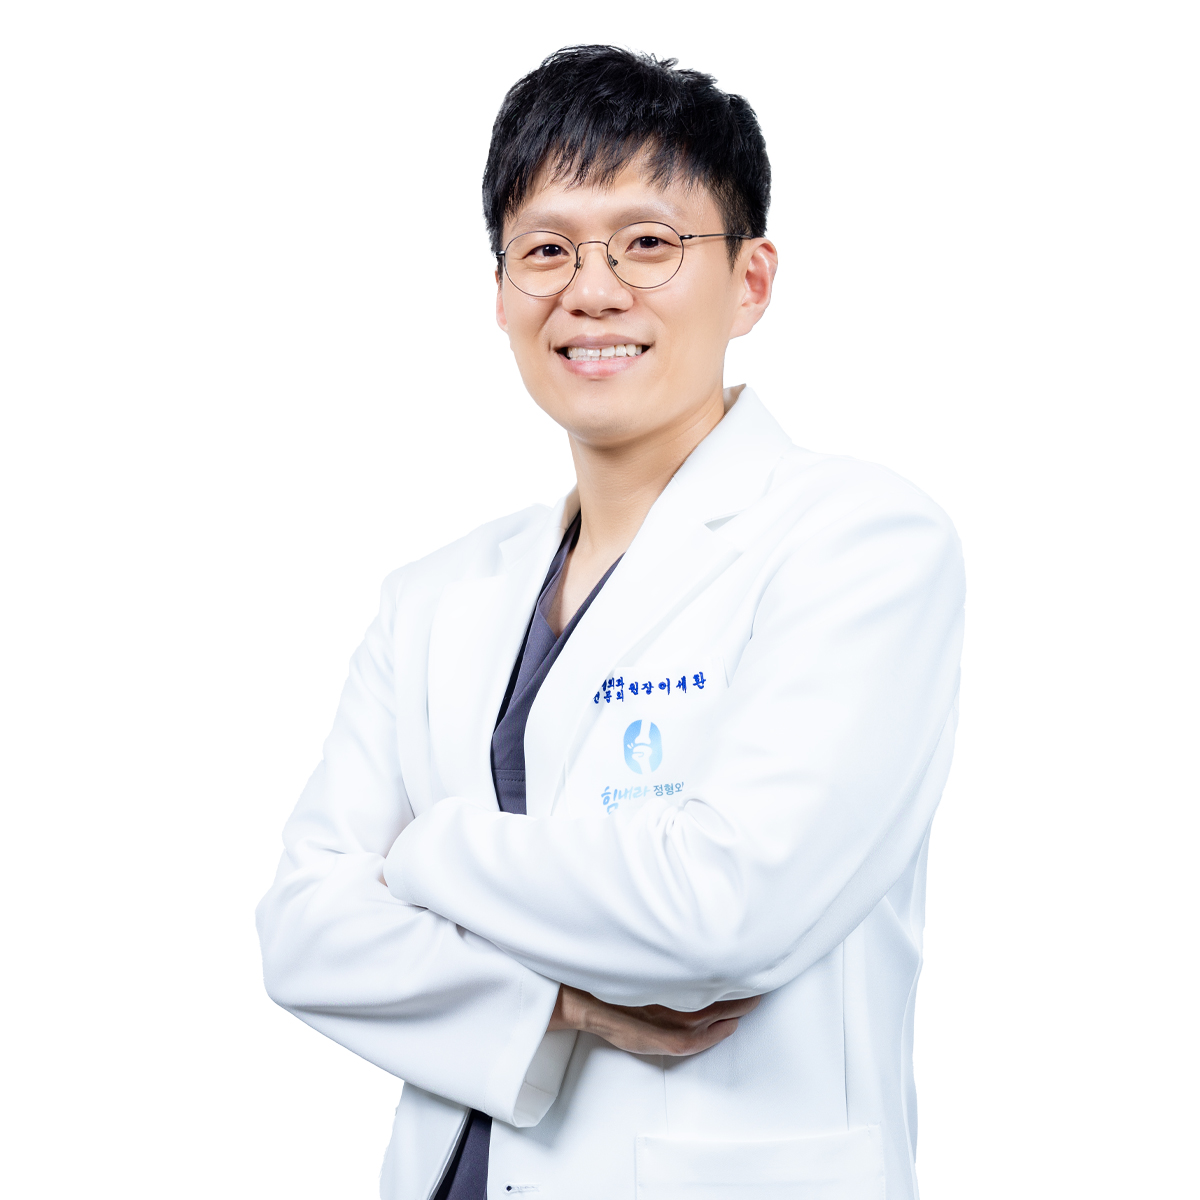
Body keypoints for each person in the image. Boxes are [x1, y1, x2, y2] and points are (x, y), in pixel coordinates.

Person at [256, 45, 965, 1200]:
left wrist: (425, 854)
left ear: (751, 281)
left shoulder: (860, 543)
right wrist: (557, 1004)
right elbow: (303, 931)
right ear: (499, 295)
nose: (591, 291)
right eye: (546, 250)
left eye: (648, 243)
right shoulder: (434, 596)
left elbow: (721, 910)